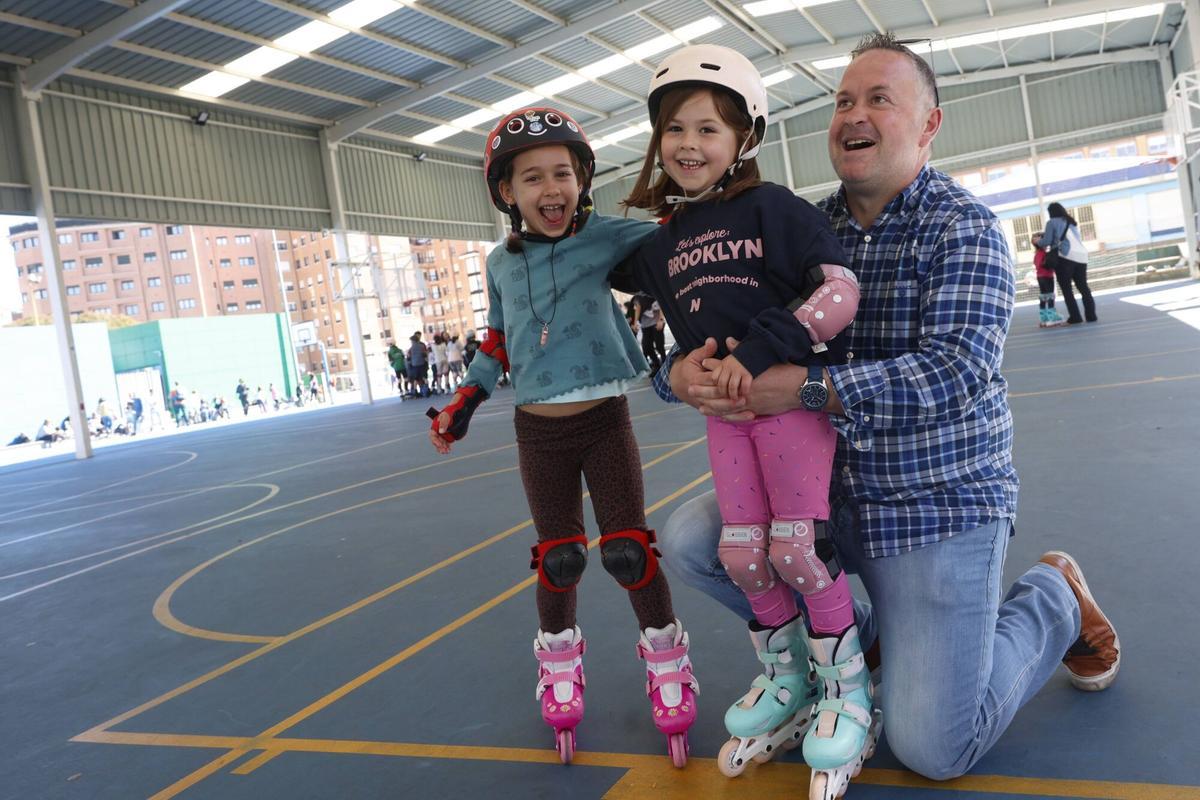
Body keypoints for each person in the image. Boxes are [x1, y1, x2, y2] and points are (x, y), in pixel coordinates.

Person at [655, 33, 1119, 792]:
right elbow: (713, 337)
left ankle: (1053, 598)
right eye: (843, 100)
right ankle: (858, 644)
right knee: (692, 540)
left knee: (936, 747)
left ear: (928, 125)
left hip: (933, 503)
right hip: (817, 494)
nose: (853, 115)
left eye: (879, 99)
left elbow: (954, 371)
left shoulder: (962, 227)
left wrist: (802, 388)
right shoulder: (792, 227)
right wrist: (680, 372)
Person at [615, 43, 867, 787]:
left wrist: (758, 355)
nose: (688, 145)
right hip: (725, 421)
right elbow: (639, 314)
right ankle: (790, 678)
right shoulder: (661, 245)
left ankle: (848, 690)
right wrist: (675, 370)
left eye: (708, 129)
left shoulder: (772, 209)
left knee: (799, 550)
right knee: (740, 554)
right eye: (674, 130)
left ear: (744, 139)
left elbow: (838, 292)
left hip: (787, 409)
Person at [426, 106, 698, 767]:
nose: (551, 190)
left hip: (605, 420)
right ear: (507, 194)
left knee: (629, 550)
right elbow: (497, 338)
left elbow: (674, 237)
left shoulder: (606, 236)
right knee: (559, 557)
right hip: (538, 431)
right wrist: (466, 397)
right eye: (532, 179)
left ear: (582, 181)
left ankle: (667, 662)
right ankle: (558, 666)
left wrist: (688, 199)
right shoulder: (499, 263)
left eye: (563, 175)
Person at [1040, 202, 1096, 325]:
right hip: (1082, 256)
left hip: (1065, 257)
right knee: (1083, 287)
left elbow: (1047, 241)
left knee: (1067, 289)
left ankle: (1075, 317)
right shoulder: (1072, 222)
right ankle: (1091, 316)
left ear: (1051, 213)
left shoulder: (1052, 222)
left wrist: (1039, 241)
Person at [1031, 233, 1065, 328]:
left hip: (1040, 277)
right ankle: (1052, 317)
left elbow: (1036, 264)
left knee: (1043, 296)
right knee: (1050, 295)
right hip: (1047, 276)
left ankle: (1043, 318)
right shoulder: (1045, 253)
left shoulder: (1037, 254)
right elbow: (1048, 264)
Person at [632, 292, 667, 374]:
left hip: (656, 322)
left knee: (659, 346)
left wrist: (661, 319)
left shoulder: (650, 288)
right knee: (646, 347)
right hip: (645, 324)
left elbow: (662, 302)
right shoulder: (637, 293)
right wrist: (635, 322)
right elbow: (638, 307)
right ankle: (656, 364)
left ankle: (665, 364)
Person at [407, 332, 430, 398]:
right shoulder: (422, 346)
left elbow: (408, 358)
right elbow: (425, 355)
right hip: (422, 364)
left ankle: (415, 392)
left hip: (414, 365)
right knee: (425, 377)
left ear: (413, 341)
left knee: (415, 379)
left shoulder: (411, 349)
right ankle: (426, 391)